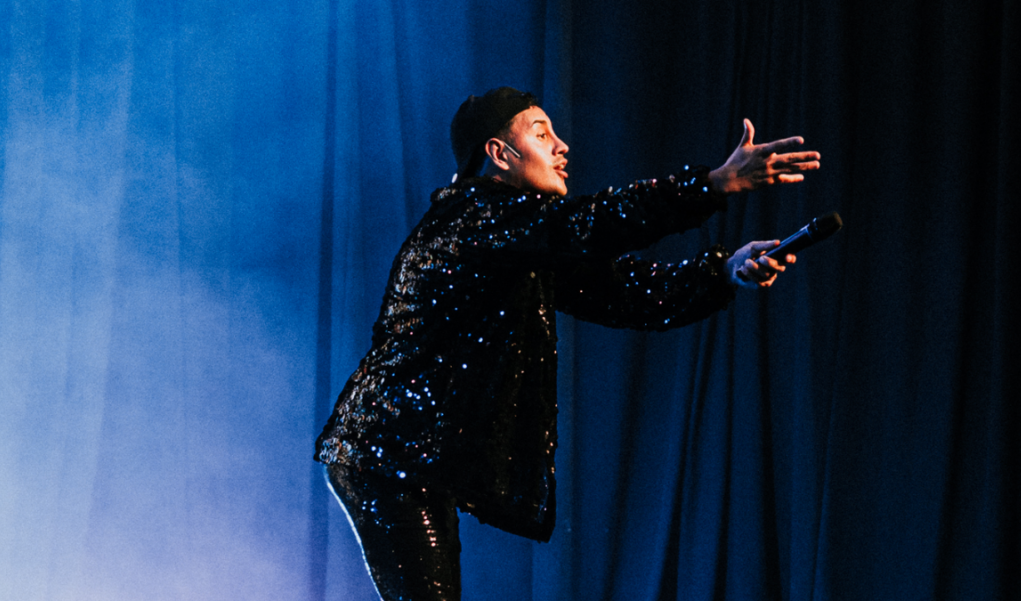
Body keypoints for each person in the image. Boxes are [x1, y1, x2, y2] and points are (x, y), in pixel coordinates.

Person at [316, 87, 820, 600]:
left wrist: (725, 271)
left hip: (415, 458)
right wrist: (712, 184)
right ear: (498, 153)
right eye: (541, 134)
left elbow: (624, 293)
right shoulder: (470, 219)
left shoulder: (516, 239)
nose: (562, 146)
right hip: (385, 453)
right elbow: (590, 225)